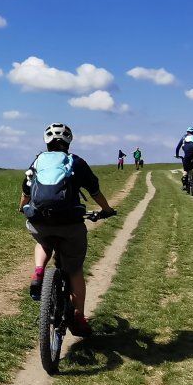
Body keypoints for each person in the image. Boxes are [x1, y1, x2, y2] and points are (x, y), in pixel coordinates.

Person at [21, 123, 116, 335]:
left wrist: (22, 208)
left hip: (40, 222)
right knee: (74, 270)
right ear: (69, 141)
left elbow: (26, 191)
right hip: (70, 225)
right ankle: (79, 318)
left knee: (42, 241)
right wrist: (107, 209)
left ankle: (39, 271)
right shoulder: (76, 162)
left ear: (46, 141)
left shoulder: (38, 161)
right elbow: (94, 191)